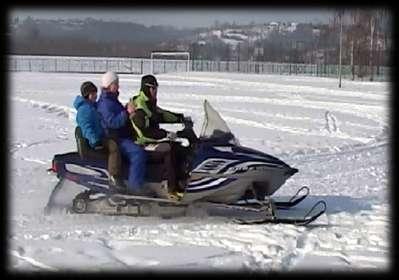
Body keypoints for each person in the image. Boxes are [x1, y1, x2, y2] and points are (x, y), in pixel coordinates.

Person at [128, 74, 195, 194]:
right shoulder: (139, 107)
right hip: (142, 143)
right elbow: (144, 133)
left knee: (179, 147)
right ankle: (171, 188)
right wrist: (166, 134)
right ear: (146, 89)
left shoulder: (149, 103)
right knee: (168, 150)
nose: (155, 92)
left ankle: (183, 181)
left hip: (152, 141)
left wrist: (181, 118)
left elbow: (162, 114)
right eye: (153, 89)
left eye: (156, 89)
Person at [96, 71, 148, 195]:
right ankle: (134, 187)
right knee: (138, 153)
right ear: (109, 85)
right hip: (115, 138)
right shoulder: (105, 103)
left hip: (122, 136)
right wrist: (127, 112)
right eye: (116, 84)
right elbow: (113, 122)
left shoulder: (112, 100)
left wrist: (127, 110)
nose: (118, 86)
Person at [73, 81, 126, 192]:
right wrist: (95, 140)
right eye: (93, 93)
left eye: (95, 93)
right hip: (96, 140)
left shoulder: (92, 106)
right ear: (87, 94)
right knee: (114, 147)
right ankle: (114, 176)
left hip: (101, 135)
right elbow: (86, 127)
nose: (95, 95)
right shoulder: (84, 110)